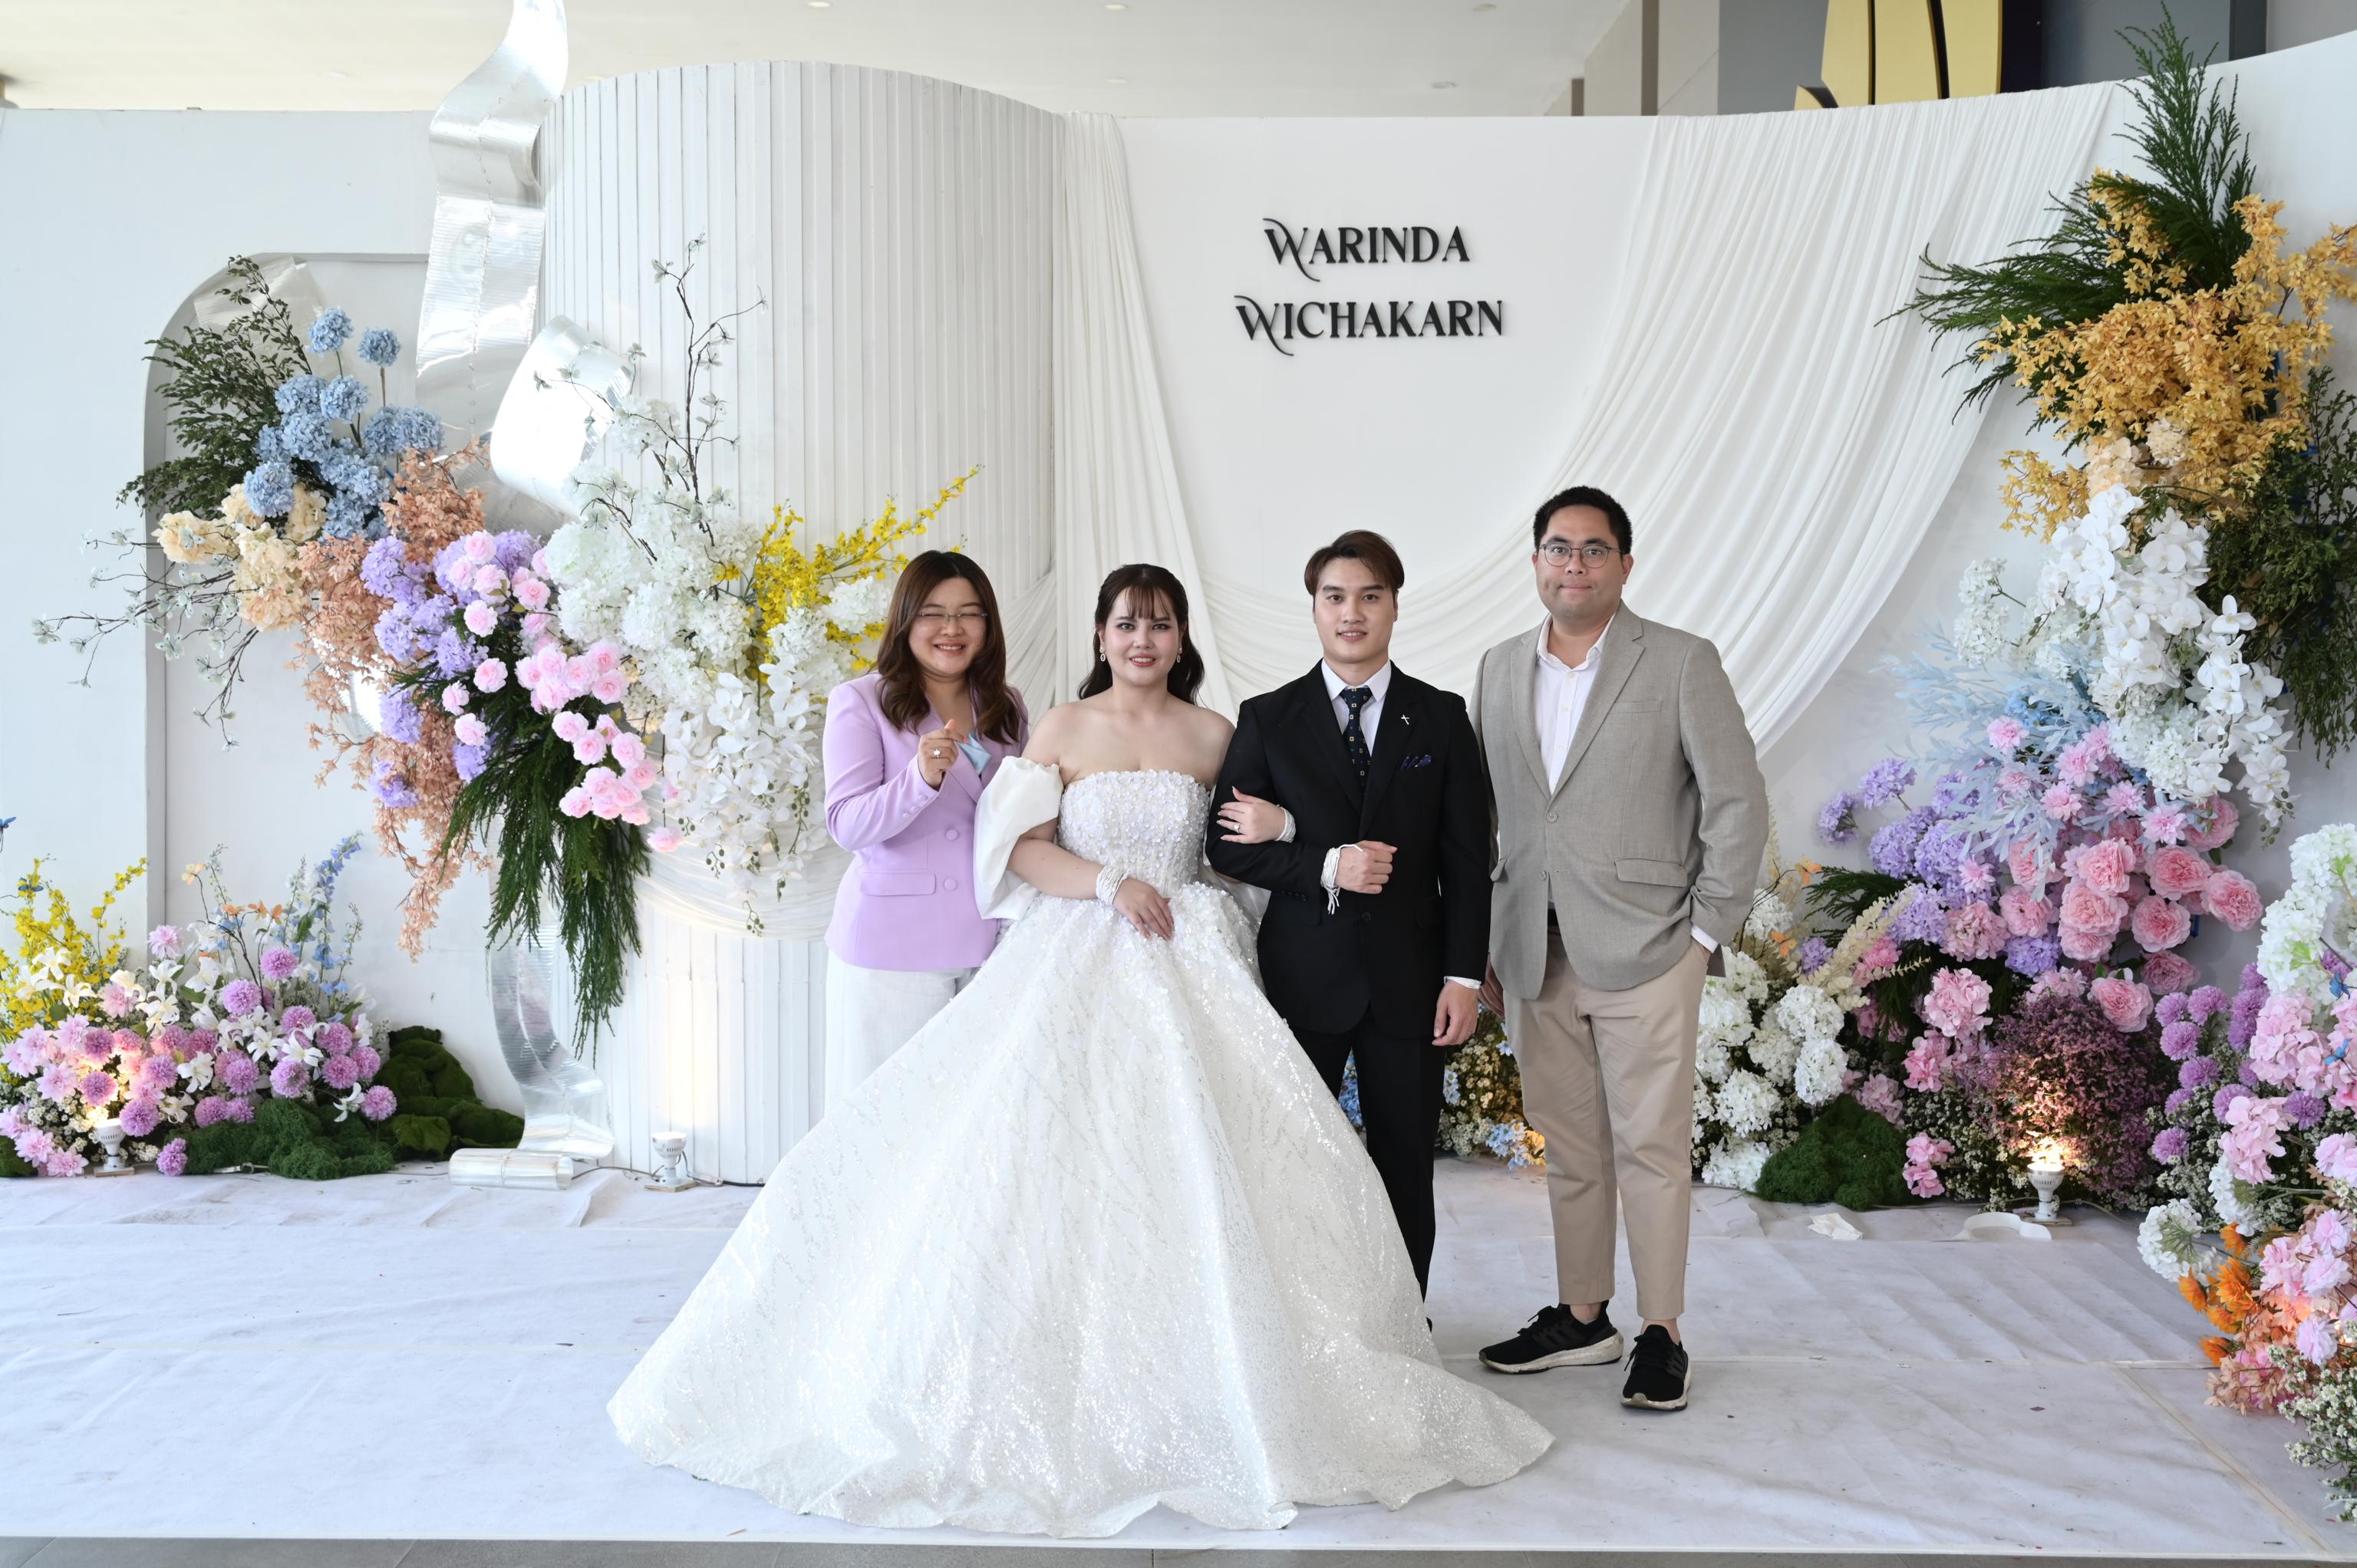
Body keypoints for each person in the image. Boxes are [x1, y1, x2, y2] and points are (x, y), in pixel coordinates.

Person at [608, 564, 1549, 1537]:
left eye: (1161, 624)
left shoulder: (1216, 734)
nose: (1143, 639)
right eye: (1126, 623)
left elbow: (1245, 850)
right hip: (1083, 947)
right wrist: (1106, 884)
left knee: (1204, 1163)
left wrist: (1285, 836)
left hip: (1190, 956)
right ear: (1101, 634)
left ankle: (1227, 1359)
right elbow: (1017, 848)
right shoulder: (1056, 726)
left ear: (1182, 639)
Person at [1469, 486, 1768, 1412]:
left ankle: (1662, 1330)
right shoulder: (1497, 667)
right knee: (1570, 1147)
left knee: (1652, 1147)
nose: (1575, 564)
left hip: (1650, 947)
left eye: (1594, 549)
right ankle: (1583, 1314)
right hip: (1533, 948)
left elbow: (1737, 801)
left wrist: (1704, 934)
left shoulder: (1679, 661)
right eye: (1558, 548)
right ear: (1535, 562)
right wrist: (1480, 939)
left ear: (1625, 565)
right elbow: (1487, 815)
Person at [1205, 531, 1488, 1295]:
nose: (1352, 612)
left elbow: (1468, 861)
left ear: (1394, 607)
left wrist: (1463, 976)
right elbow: (1226, 847)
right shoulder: (1268, 717)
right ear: (1315, 609)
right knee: (1291, 1159)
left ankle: (1407, 1323)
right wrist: (1326, 863)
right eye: (1335, 597)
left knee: (1406, 1162)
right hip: (1302, 976)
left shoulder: (1440, 717)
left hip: (1412, 980)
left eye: (1370, 596)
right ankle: (1307, 1320)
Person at [819, 552, 1028, 1111]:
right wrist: (919, 779)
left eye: (969, 613)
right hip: (892, 949)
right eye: (934, 612)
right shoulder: (862, 701)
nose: (952, 629)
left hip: (987, 944)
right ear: (906, 620)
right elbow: (847, 824)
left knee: (962, 1125)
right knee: (882, 1121)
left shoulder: (1007, 707)